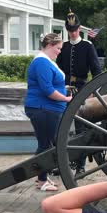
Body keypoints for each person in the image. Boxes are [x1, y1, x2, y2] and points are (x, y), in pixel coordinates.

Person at [56, 9, 102, 175]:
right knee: (61, 127)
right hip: (64, 90)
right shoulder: (64, 47)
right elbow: (58, 70)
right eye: (70, 30)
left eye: (75, 29)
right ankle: (60, 163)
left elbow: (97, 72)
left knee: (81, 129)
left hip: (82, 90)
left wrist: (91, 91)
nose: (73, 33)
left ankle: (80, 166)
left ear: (79, 28)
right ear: (67, 30)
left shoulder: (88, 47)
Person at [24, 33, 72, 192]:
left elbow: (51, 85)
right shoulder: (41, 63)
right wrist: (66, 99)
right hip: (42, 109)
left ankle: (42, 179)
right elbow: (47, 90)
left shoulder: (46, 61)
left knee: (47, 144)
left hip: (47, 109)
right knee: (45, 145)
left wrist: (64, 89)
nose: (59, 51)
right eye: (58, 48)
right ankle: (42, 180)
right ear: (50, 45)